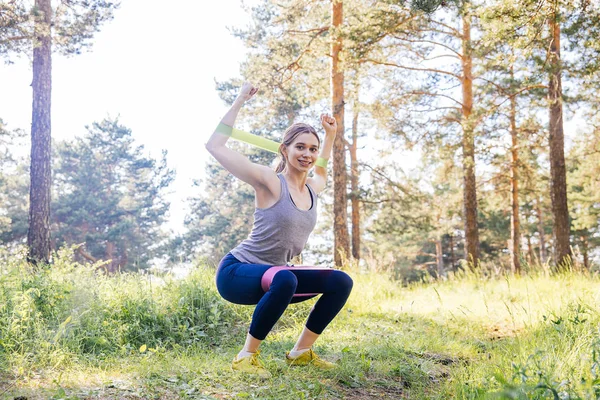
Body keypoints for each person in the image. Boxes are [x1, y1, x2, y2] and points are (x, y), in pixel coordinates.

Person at [205, 82, 354, 378]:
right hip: (238, 273)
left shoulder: (312, 188)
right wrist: (239, 100)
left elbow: (322, 169)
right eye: (300, 147)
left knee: (341, 281)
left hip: (275, 276)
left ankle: (300, 353)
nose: (307, 154)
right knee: (285, 277)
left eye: (311, 149)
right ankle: (246, 357)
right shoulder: (270, 182)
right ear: (284, 150)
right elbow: (215, 146)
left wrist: (330, 135)